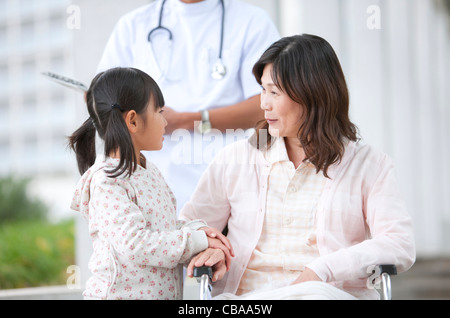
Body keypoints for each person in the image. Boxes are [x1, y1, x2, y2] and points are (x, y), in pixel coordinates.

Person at [179, 34, 416, 300]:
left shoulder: (369, 165)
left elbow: (399, 243)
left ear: (313, 94)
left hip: (326, 295)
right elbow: (188, 225)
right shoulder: (235, 160)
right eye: (263, 90)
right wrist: (212, 244)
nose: (263, 103)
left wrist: (321, 270)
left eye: (274, 92)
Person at [97, 0, 280, 211]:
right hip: (151, 193)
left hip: (231, 188)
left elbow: (267, 105)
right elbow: (106, 102)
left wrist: (185, 121)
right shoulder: (132, 26)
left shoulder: (252, 22)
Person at [69, 67, 232, 300]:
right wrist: (197, 240)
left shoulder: (148, 170)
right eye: (159, 112)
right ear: (133, 121)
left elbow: (163, 230)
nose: (165, 121)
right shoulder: (107, 182)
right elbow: (136, 243)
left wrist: (198, 231)